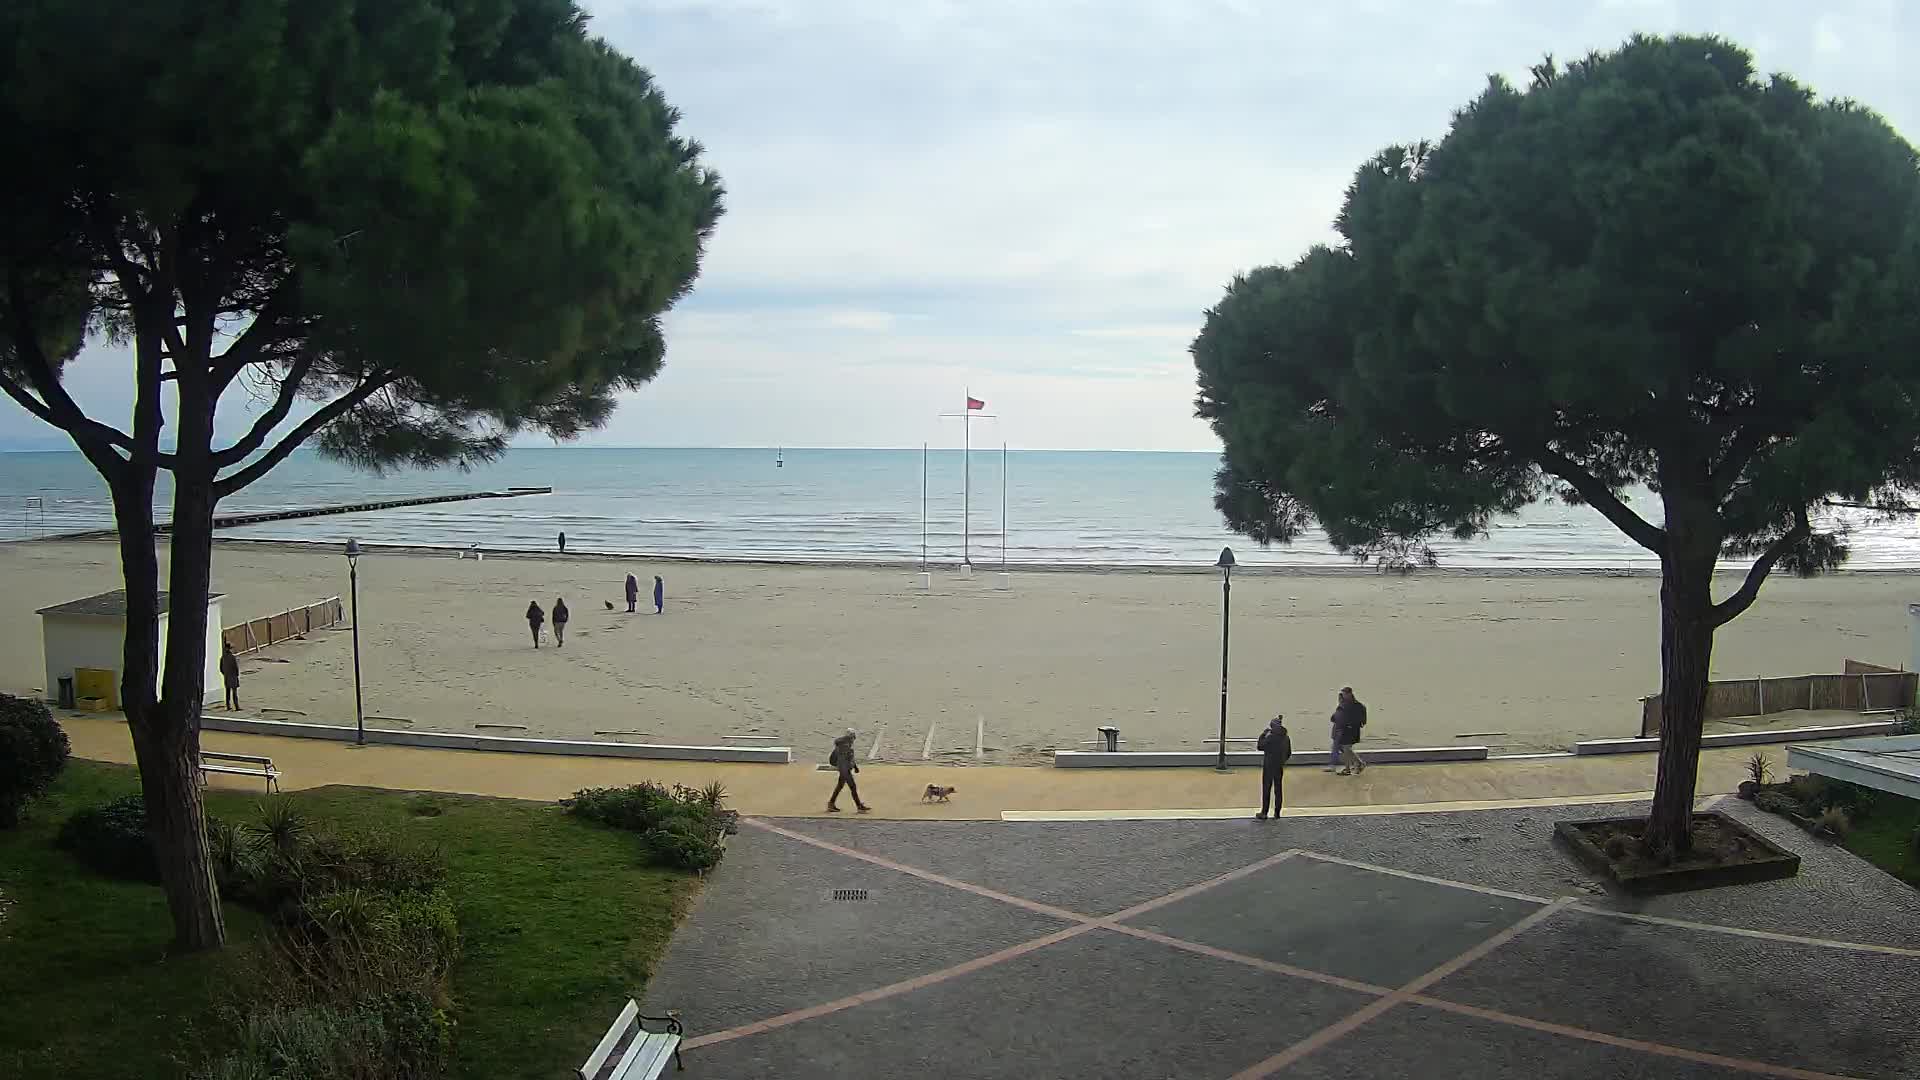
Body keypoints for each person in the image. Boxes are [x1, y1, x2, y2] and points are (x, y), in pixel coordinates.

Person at [1255, 714, 1291, 820]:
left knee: (1267, 788)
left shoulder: (1271, 737)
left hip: (1269, 766)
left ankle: (1264, 812)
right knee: (1278, 789)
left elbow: (1260, 746)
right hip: (1279, 766)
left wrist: (1263, 735)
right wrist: (1282, 761)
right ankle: (1277, 813)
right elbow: (1289, 752)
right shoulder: (1286, 737)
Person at [826, 729, 870, 813]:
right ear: (851, 737)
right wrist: (845, 772)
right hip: (845, 771)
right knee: (853, 787)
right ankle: (859, 806)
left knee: (839, 787)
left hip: (845, 770)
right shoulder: (844, 747)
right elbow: (843, 761)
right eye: (853, 737)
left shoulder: (846, 745)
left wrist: (855, 767)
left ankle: (831, 804)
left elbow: (850, 759)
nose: (854, 738)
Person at [1333, 686, 1368, 775]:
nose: (1343, 695)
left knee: (1346, 749)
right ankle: (1353, 766)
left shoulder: (1352, 705)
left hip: (1350, 730)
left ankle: (1356, 765)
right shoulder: (1348, 704)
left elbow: (1338, 717)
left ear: (1349, 694)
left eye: (1345, 693)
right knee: (1346, 749)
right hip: (1346, 729)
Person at [219, 640, 240, 710]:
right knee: (234, 693)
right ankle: (236, 706)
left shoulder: (223, 657)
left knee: (227, 692)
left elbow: (221, 668)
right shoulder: (232, 657)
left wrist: (225, 674)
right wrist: (237, 674)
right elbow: (236, 667)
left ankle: (228, 706)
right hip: (233, 677)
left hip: (226, 677)